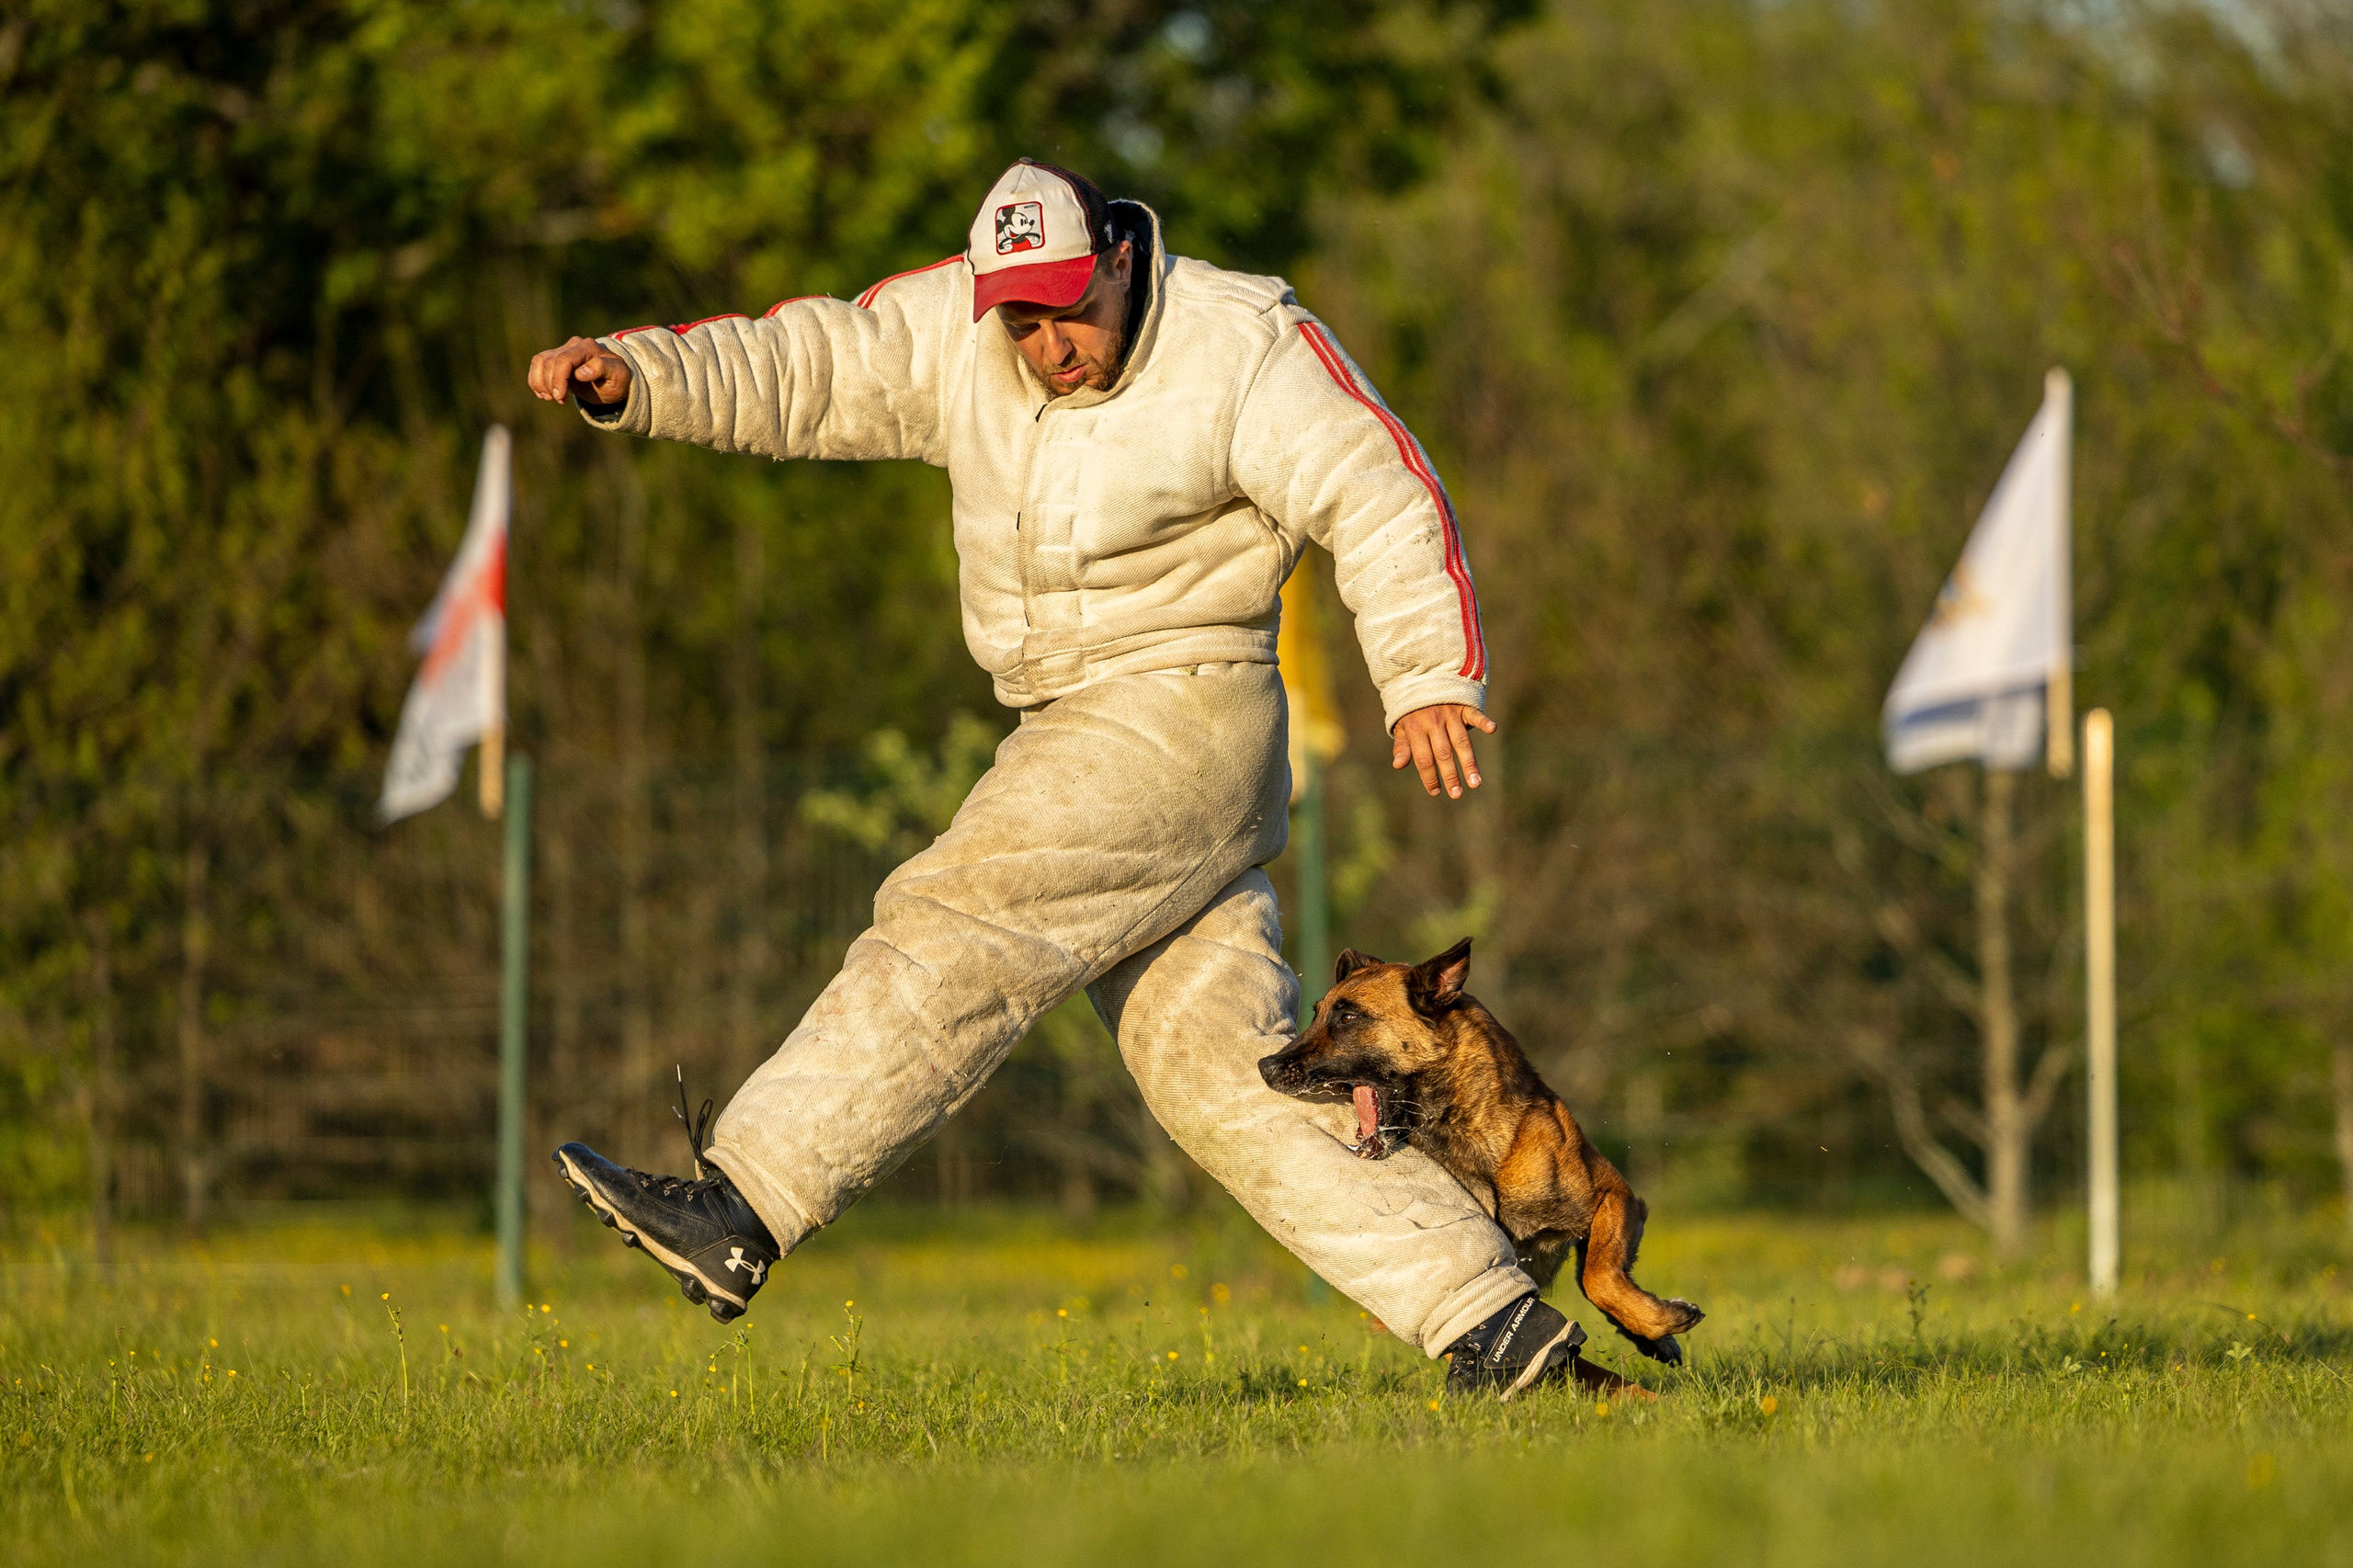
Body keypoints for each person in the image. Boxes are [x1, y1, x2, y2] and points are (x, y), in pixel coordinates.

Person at [528, 159, 1581, 1397]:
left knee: (963, 909)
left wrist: (1426, 674)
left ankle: (743, 1201)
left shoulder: (1239, 343)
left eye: (1067, 309)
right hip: (1076, 726)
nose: (1045, 343)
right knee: (1222, 1067)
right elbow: (812, 363)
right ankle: (1490, 1317)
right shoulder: (963, 330)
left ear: (1124, 260)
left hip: (1182, 713)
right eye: (1018, 319)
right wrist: (643, 375)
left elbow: (1376, 480)